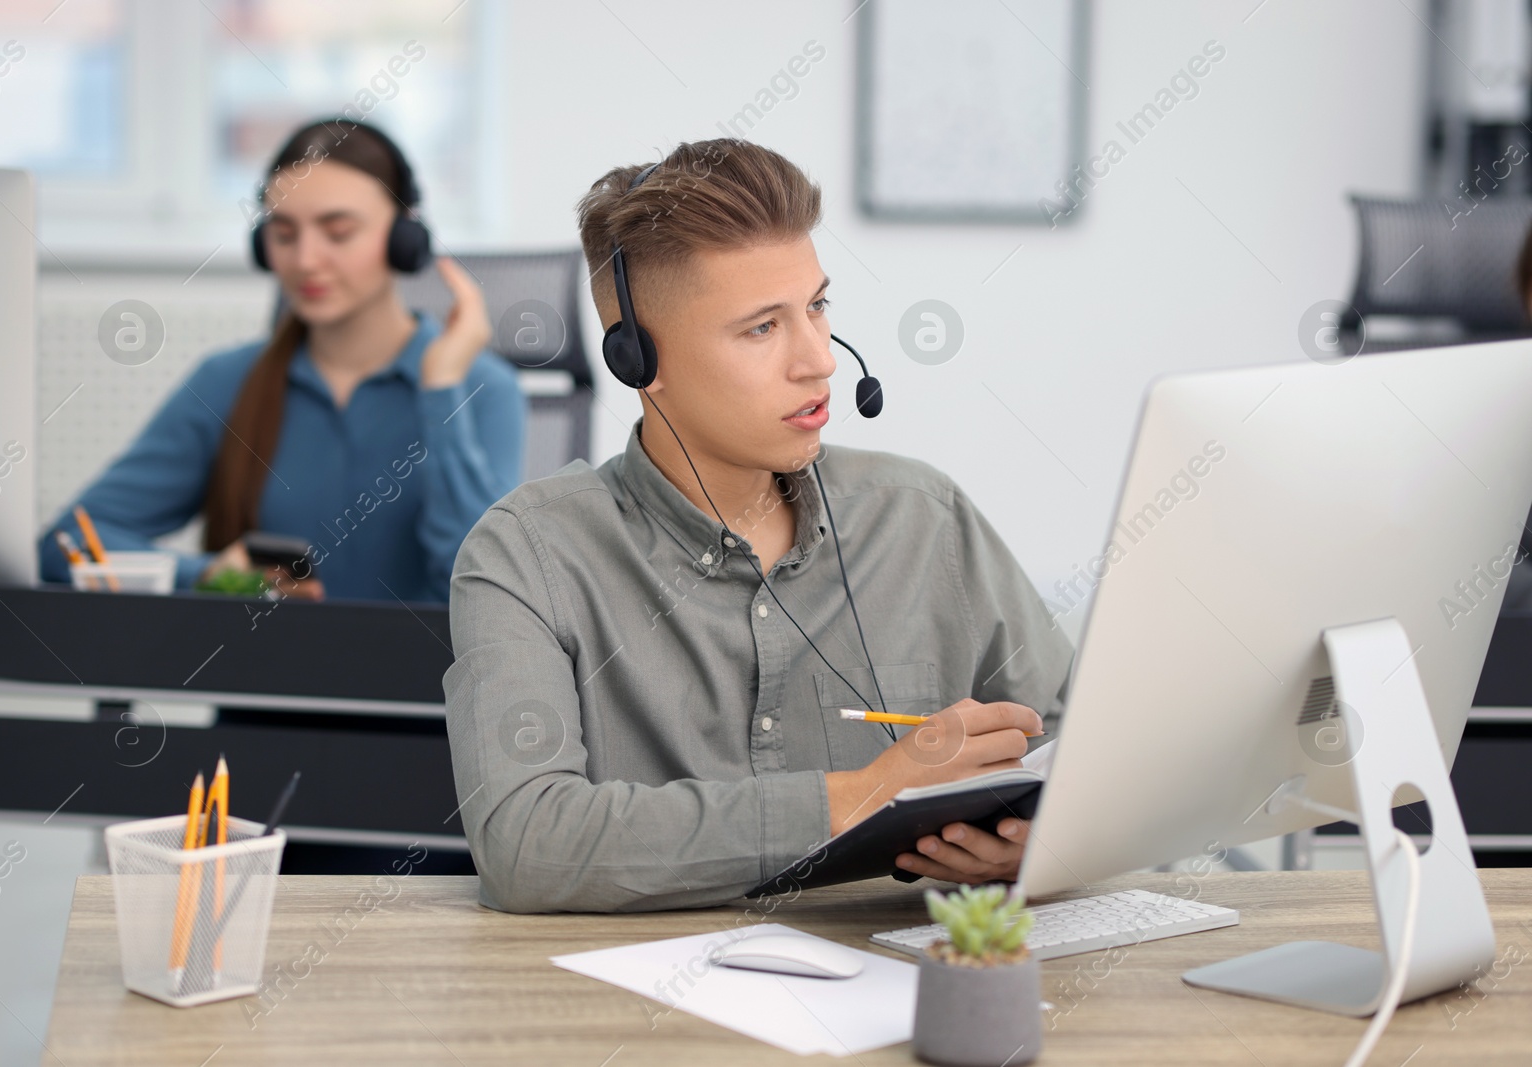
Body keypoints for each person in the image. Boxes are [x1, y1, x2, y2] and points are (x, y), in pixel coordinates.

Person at [443, 139, 1073, 913]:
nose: (819, 361)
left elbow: (1079, 743)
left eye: (816, 307)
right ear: (639, 360)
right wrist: (864, 793)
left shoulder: (922, 515)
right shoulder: (526, 556)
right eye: (761, 329)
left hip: (899, 995)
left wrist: (1037, 841)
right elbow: (528, 844)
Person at [38, 119, 526, 603]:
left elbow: (483, 591)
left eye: (338, 233)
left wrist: (442, 392)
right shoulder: (226, 382)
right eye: (284, 234)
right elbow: (69, 544)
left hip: (410, 677)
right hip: (261, 673)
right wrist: (205, 575)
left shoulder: (481, 388)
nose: (306, 260)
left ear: (404, 241)